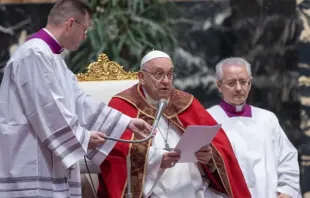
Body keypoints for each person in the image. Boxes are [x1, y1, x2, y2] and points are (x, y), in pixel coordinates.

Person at [0, 1, 152, 197]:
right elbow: (49, 110)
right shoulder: (34, 54)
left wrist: (126, 122)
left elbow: (79, 101)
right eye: (85, 29)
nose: (85, 36)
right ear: (71, 23)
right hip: (30, 161)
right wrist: (84, 137)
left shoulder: (52, 58)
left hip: (46, 160)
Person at [98, 50, 252, 198]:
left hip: (196, 189)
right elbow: (114, 151)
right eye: (159, 74)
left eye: (170, 74)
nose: (166, 81)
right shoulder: (122, 104)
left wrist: (209, 158)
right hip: (152, 191)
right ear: (142, 77)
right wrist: (157, 160)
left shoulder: (185, 102)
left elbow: (220, 147)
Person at [207, 57, 301, 198]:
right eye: (231, 83)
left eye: (243, 82)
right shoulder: (208, 120)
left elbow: (287, 160)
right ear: (219, 85)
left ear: (250, 83)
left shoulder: (267, 119)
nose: (239, 88)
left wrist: (286, 192)